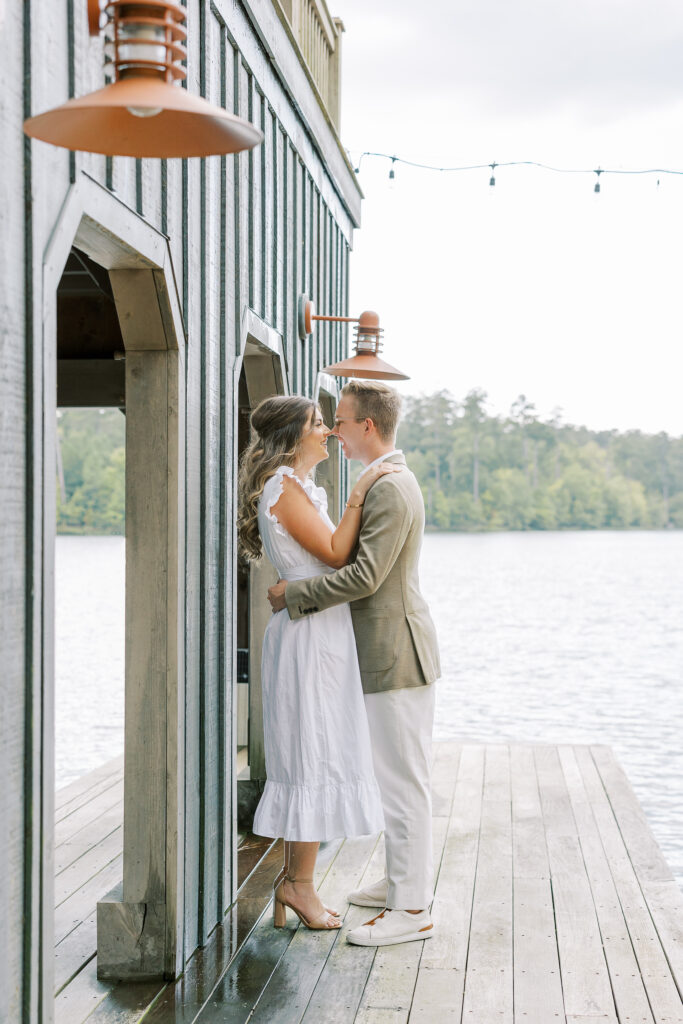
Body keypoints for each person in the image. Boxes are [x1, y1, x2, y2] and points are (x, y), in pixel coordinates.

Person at [268, 379, 441, 947]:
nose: (334, 429)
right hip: (373, 651)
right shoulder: (377, 482)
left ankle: (411, 909)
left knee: (403, 781)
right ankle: (400, 884)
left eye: (339, 420)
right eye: (326, 422)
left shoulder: (387, 487)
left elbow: (363, 576)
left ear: (367, 426)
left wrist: (292, 596)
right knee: (393, 775)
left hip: (395, 652)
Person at [237, 394, 396, 931]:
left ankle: (293, 883)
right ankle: (298, 885)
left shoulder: (299, 488)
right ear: (292, 436)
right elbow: (334, 554)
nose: (327, 431)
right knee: (309, 754)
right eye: (317, 424)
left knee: (318, 752)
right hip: (308, 638)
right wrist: (359, 496)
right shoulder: (284, 486)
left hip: (321, 630)